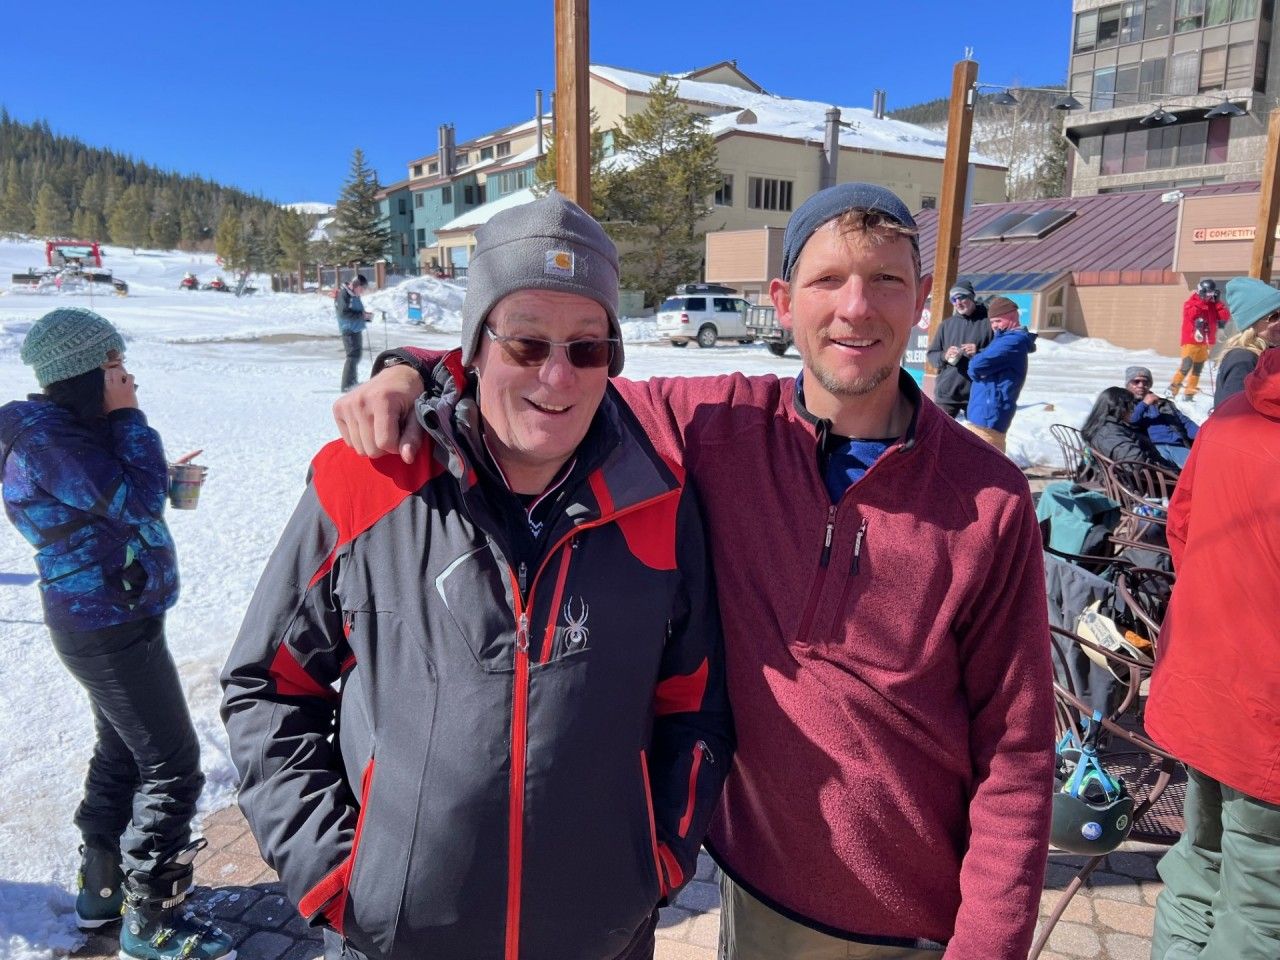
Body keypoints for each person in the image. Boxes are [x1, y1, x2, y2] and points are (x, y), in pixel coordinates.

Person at [334, 183, 1056, 959]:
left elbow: (1018, 750)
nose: (856, 307)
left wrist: (989, 943)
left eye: (886, 280)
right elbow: (552, 374)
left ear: (921, 301)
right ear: (782, 300)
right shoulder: (721, 425)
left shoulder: (986, 497)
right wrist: (410, 370)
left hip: (916, 916)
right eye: (828, 280)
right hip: (759, 894)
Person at [221, 193, 733, 960]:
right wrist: (335, 874)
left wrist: (656, 859)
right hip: (399, 937)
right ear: (475, 347)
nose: (557, 379)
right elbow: (268, 687)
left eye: (587, 348)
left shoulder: (658, 495)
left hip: (600, 937)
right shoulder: (367, 482)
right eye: (526, 344)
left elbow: (694, 701)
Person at [0, 308, 233, 960]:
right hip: (105, 628)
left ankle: (102, 890)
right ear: (82, 374)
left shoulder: (69, 430)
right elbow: (130, 502)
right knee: (173, 766)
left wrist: (151, 464)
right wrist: (131, 422)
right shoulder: (48, 443)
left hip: (115, 617)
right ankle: (150, 918)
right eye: (114, 369)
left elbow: (126, 501)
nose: (127, 380)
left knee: (124, 752)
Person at [1145, 346, 1280, 960]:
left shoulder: (1230, 416)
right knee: (1259, 906)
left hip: (1204, 685)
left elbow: (1183, 529)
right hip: (1263, 718)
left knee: (1200, 866)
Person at [963, 296, 1036, 453]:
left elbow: (977, 365)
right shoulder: (1003, 339)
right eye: (992, 322)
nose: (995, 326)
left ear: (1011, 316)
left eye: (998, 321)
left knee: (983, 463)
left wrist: (976, 370)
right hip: (985, 411)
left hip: (990, 414)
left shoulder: (1012, 341)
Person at [924, 278, 992, 418]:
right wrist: (945, 355)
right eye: (954, 300)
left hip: (977, 392)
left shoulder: (988, 323)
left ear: (971, 297)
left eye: (961, 297)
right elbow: (932, 355)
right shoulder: (947, 325)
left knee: (974, 438)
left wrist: (978, 353)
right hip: (948, 393)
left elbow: (1000, 355)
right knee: (939, 436)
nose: (958, 303)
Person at [1081, 386, 1179, 473]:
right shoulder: (1109, 433)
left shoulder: (1103, 427)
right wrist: (1169, 471)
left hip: (1153, 475)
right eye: (1131, 405)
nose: (1133, 409)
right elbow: (1135, 462)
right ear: (1120, 408)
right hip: (1151, 484)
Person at [1215, 276, 1280, 404]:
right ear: (1251, 324)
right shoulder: (1243, 360)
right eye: (1274, 317)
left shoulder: (1269, 355)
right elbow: (1234, 415)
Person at [1122, 365, 1197, 468]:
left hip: (1177, 446)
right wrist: (1144, 404)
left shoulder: (1165, 404)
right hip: (1152, 448)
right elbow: (1131, 421)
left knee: (1199, 468)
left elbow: (1186, 423)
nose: (1141, 385)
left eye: (1145, 382)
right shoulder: (1125, 404)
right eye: (1136, 382)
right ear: (1128, 384)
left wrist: (1203, 435)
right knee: (1165, 470)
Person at [1168, 278, 1230, 400]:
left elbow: (1224, 317)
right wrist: (1201, 301)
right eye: (1207, 294)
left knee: (1198, 368)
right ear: (1201, 292)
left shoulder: (1213, 305)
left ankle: (1189, 393)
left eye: (1211, 294)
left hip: (1207, 341)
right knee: (1186, 366)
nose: (1209, 297)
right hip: (1191, 340)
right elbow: (1192, 315)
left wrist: (1217, 303)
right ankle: (1172, 389)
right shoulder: (1190, 303)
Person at [336, 273, 373, 392]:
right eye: (362, 288)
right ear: (356, 285)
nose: (362, 291)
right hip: (348, 329)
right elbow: (343, 313)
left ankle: (352, 381)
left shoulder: (354, 295)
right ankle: (346, 385)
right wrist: (360, 316)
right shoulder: (344, 294)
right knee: (352, 356)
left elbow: (356, 311)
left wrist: (365, 316)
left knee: (356, 356)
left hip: (356, 328)